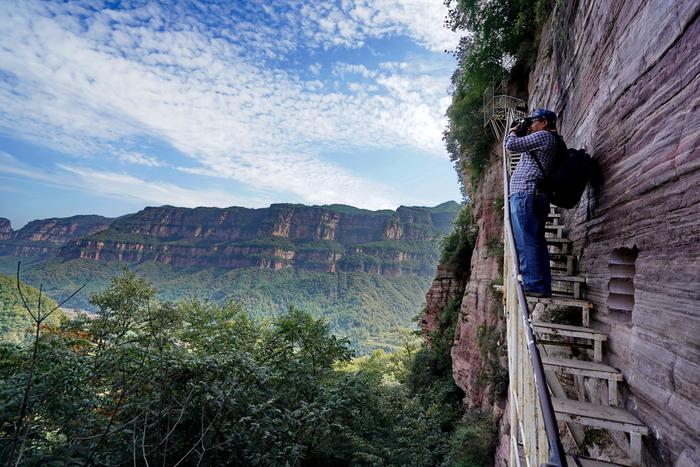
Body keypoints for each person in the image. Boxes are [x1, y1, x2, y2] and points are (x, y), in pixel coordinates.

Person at [505, 108, 560, 298]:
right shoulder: (548, 139)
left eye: (533, 122)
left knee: (526, 241)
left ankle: (533, 283)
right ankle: (541, 285)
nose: (530, 125)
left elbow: (511, 145)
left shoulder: (544, 136)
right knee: (536, 241)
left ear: (544, 122)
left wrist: (513, 131)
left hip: (526, 194)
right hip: (532, 195)